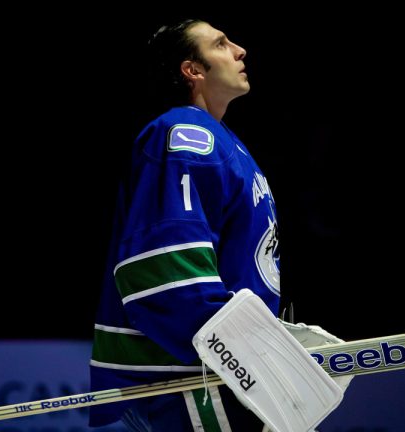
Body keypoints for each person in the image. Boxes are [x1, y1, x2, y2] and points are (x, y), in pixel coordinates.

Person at [89, 19, 279, 430]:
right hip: (195, 378)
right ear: (192, 70)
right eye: (222, 44)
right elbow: (166, 267)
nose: (240, 50)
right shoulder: (184, 136)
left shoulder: (226, 141)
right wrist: (240, 352)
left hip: (225, 371)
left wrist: (273, 340)